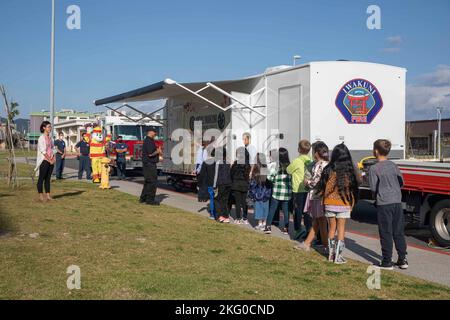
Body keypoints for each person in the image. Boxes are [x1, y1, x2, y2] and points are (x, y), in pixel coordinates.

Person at [369, 139, 408, 270]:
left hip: (384, 203)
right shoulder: (393, 165)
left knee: (386, 232)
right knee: (398, 231)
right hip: (397, 201)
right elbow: (401, 181)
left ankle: (387, 261)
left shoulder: (374, 168)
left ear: (375, 151)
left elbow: (373, 188)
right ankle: (402, 259)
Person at [318, 143, 360, 264]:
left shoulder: (328, 170)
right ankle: (338, 256)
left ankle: (331, 255)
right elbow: (354, 189)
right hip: (344, 203)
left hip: (329, 202)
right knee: (341, 230)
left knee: (332, 228)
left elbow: (322, 187)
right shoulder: (349, 171)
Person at [296, 141, 329, 251]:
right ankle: (312, 244)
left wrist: (307, 182)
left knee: (320, 220)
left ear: (316, 153)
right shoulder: (324, 164)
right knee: (319, 221)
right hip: (319, 196)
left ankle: (323, 245)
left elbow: (316, 182)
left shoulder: (320, 165)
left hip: (318, 196)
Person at [287, 140, 313, 240]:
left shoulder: (296, 161)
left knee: (297, 211)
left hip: (298, 190)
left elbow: (288, 170)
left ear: (299, 149)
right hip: (308, 189)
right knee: (307, 211)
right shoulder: (310, 161)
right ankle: (308, 229)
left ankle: (298, 229)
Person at [265, 148, 292, 235]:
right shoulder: (290, 166)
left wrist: (275, 181)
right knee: (285, 211)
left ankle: (268, 226)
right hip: (287, 192)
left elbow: (270, 177)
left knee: (272, 209)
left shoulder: (275, 166)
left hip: (276, 191)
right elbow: (292, 178)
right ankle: (286, 228)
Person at [249, 153, 271, 230]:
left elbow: (252, 184)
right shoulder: (266, 169)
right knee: (265, 207)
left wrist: (252, 194)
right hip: (266, 193)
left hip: (257, 193)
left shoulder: (255, 171)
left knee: (258, 208)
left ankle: (260, 223)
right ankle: (264, 223)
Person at [140, 127, 162, 205]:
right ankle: (150, 200)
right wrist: (158, 151)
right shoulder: (149, 141)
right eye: (154, 132)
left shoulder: (148, 140)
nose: (155, 133)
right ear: (150, 132)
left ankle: (143, 198)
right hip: (150, 164)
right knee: (152, 182)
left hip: (147, 164)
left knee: (148, 182)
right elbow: (150, 153)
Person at [35, 121, 55, 202]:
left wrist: (53, 158)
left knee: (48, 179)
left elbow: (53, 148)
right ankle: (40, 195)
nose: (50, 128)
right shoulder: (41, 138)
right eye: (48, 127)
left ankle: (48, 196)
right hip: (44, 160)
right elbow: (43, 151)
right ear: (44, 128)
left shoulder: (51, 138)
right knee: (41, 178)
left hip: (51, 160)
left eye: (50, 127)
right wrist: (49, 160)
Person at [230, 147, 251, 224]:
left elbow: (231, 173)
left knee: (238, 202)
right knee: (244, 202)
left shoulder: (235, 163)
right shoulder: (248, 164)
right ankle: (245, 218)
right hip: (245, 185)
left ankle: (238, 218)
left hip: (236, 184)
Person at [214, 147, 232, 223]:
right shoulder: (228, 162)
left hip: (221, 183)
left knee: (217, 199)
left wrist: (214, 185)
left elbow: (216, 174)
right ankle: (226, 216)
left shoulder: (218, 162)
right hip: (228, 183)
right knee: (224, 200)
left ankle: (219, 216)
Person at [197, 150, 217, 219]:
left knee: (212, 199)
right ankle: (219, 214)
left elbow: (201, 175)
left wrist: (199, 184)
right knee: (218, 199)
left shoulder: (205, 162)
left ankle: (212, 214)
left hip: (210, 183)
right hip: (218, 183)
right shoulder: (218, 162)